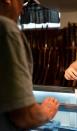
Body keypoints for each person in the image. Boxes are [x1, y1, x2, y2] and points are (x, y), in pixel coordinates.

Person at [0, 0, 59, 130]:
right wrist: (46, 111)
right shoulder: (6, 29)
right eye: (20, 2)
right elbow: (24, 116)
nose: (21, 9)